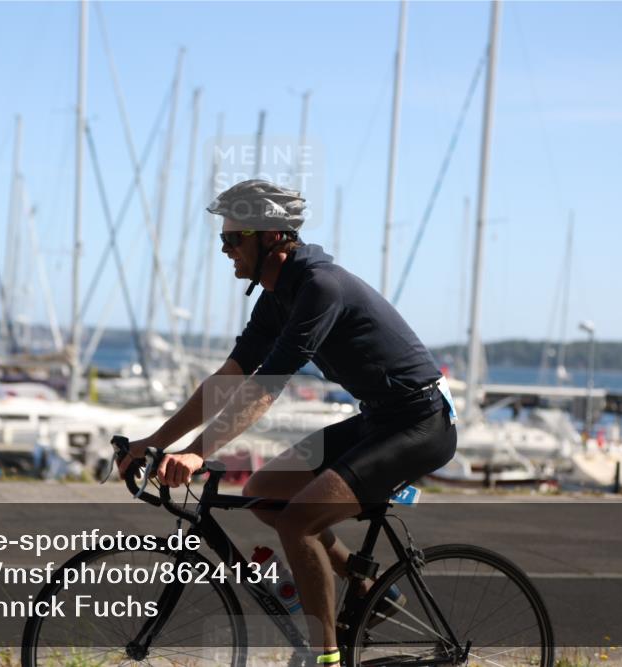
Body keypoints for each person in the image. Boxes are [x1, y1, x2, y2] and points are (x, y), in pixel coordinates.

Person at [118, 179, 457, 666]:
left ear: (272, 237)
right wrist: (153, 442)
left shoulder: (320, 288)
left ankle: (326, 658)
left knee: (298, 522)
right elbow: (230, 377)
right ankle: (370, 590)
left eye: (233, 239)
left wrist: (195, 453)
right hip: (380, 419)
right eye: (222, 239)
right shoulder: (278, 297)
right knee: (265, 490)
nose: (225, 250)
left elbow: (265, 387)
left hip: (421, 423)